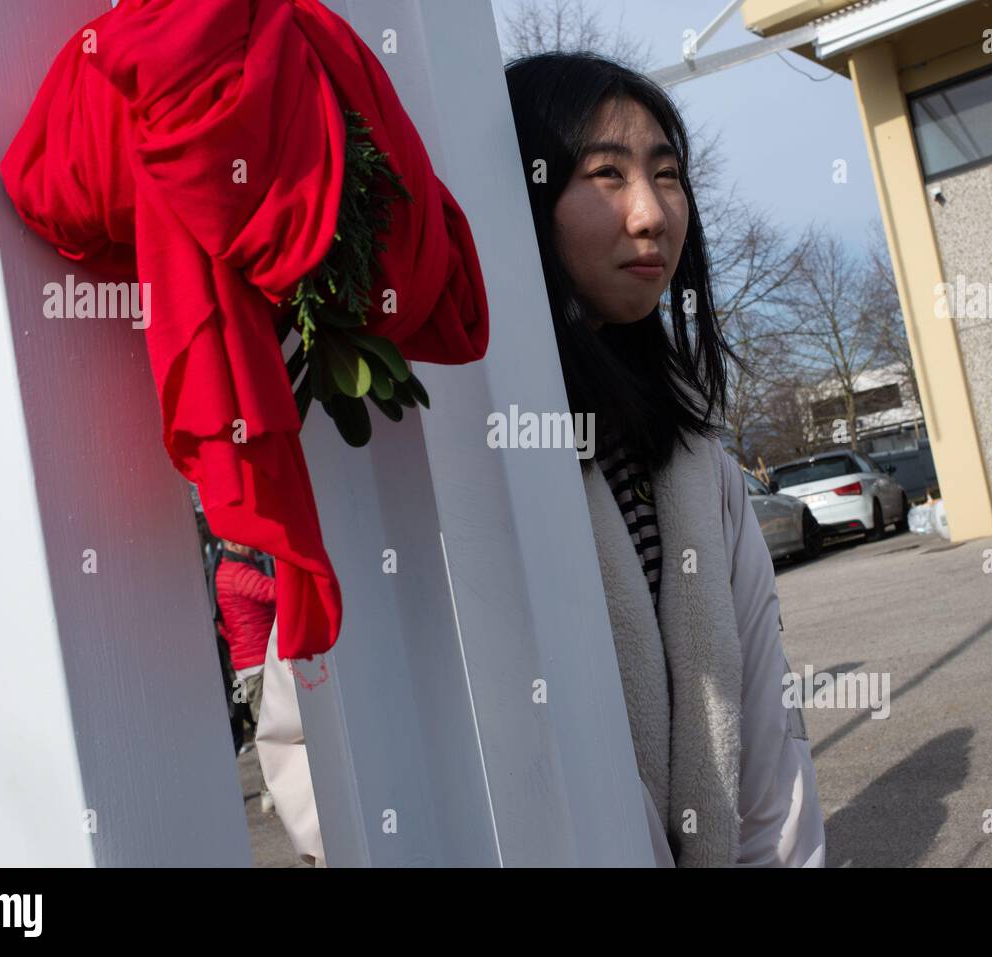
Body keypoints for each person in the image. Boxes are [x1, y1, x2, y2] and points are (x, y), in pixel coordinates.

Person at [257, 51, 825, 868]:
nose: (651, 214)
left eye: (667, 176)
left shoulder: (696, 456)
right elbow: (307, 731)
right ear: (524, 193)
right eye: (605, 174)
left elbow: (767, 734)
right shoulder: (439, 447)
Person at [214, 538, 278, 813]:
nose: (253, 546)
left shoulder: (223, 573)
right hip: (258, 666)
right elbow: (272, 592)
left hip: (243, 667)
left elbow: (224, 627)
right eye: (247, 543)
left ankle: (270, 790)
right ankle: (270, 791)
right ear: (233, 545)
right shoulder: (238, 574)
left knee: (257, 726)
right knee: (269, 729)